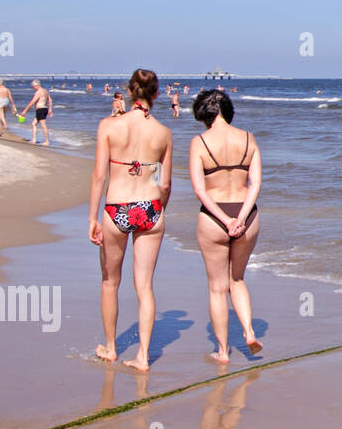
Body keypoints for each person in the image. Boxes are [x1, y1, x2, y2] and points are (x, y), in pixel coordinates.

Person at [88, 69, 172, 371]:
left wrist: (92, 217)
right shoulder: (163, 132)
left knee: (110, 281)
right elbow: (165, 184)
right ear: (156, 94)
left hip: (117, 209)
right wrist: (159, 209)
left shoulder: (108, 126)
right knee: (145, 286)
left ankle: (111, 348)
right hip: (150, 208)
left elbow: (100, 175)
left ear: (129, 90)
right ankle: (143, 356)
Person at [189, 90, 263, 363]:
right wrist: (241, 217)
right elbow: (255, 184)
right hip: (248, 215)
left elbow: (200, 190)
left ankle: (222, 352)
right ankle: (249, 331)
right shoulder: (248, 138)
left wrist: (225, 219)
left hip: (214, 218)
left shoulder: (200, 142)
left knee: (217, 288)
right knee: (238, 280)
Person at [19, 80, 53, 146]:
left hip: (40, 109)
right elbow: (50, 100)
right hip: (45, 108)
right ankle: (34, 139)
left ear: (36, 85)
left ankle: (47, 141)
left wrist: (25, 111)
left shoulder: (38, 92)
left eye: (33, 87)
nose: (33, 88)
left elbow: (32, 102)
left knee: (43, 125)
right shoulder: (45, 91)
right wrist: (50, 109)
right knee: (33, 124)